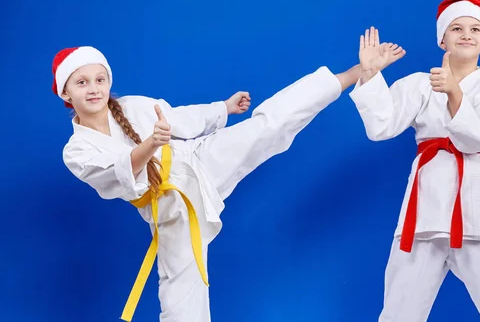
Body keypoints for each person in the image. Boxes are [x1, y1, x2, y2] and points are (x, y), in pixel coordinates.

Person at [53, 41, 400, 321]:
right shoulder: (77, 150)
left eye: (100, 79)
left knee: (268, 126)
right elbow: (117, 174)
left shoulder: (133, 106)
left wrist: (223, 109)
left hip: (199, 160)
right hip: (169, 208)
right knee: (180, 297)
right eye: (82, 82)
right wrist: (151, 144)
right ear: (66, 94)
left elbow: (181, 118)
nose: (94, 88)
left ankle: (356, 72)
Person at [349, 0, 480, 321]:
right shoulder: (420, 85)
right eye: (457, 28)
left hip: (476, 208)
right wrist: (370, 74)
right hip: (425, 207)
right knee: (401, 305)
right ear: (442, 39)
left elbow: (477, 140)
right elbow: (381, 127)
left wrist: (453, 91)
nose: (466, 34)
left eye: (475, 29)